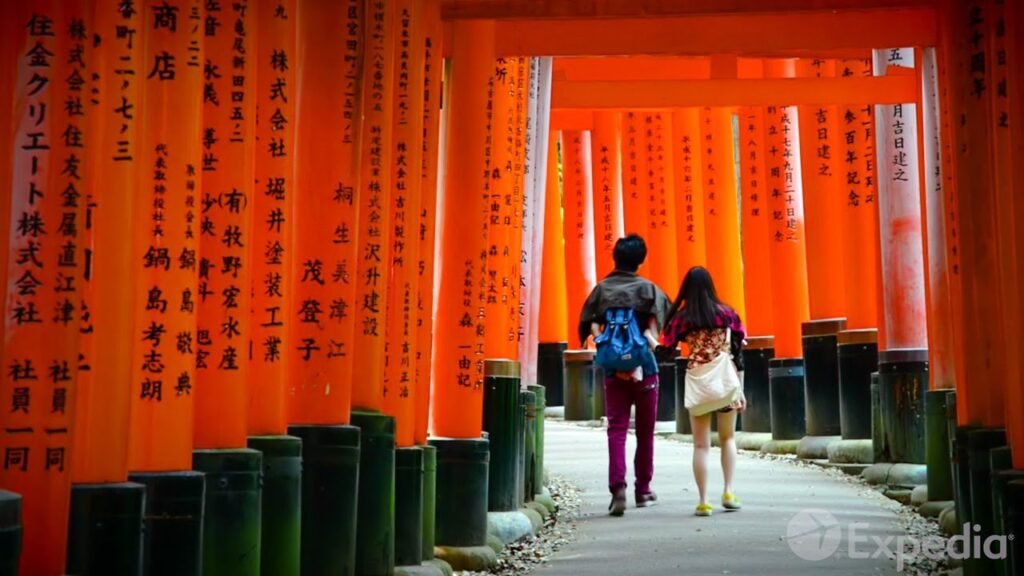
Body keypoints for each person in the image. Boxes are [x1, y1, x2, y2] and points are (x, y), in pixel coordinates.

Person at [578, 234, 671, 516]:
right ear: (640, 260)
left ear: (615, 258)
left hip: (612, 371)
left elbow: (590, 326)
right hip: (646, 370)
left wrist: (609, 346)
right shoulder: (649, 290)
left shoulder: (601, 291)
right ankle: (643, 490)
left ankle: (618, 489)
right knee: (645, 433)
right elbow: (657, 327)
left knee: (616, 431)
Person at [661, 266, 747, 517]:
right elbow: (738, 354)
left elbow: (665, 350)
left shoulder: (683, 319)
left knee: (700, 445)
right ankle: (728, 491)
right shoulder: (728, 315)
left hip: (699, 381)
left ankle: (703, 501)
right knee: (728, 438)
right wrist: (740, 390)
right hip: (726, 382)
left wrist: (650, 338)